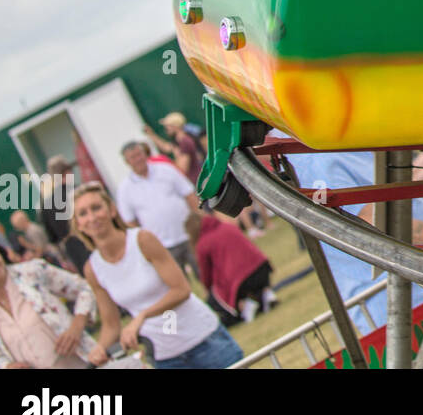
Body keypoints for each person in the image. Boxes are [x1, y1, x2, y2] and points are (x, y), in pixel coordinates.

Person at [74, 184, 241, 369]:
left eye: (96, 208)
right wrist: (99, 349)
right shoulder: (92, 269)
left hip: (204, 341)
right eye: (82, 213)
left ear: (112, 210)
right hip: (166, 359)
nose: (91, 217)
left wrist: (141, 317)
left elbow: (181, 289)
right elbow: (111, 325)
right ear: (78, 224)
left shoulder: (142, 240)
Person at [284, 149, 423, 335]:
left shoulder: (331, 147)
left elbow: (380, 197)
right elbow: (363, 219)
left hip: (415, 282)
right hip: (397, 297)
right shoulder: (316, 158)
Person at [0, 232, 104, 369]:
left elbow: (84, 288)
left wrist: (76, 326)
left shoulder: (32, 272)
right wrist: (8, 365)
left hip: (80, 364)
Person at [114, 141, 200, 280]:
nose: (138, 159)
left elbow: (189, 194)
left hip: (189, 235)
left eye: (139, 154)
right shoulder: (125, 189)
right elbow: (130, 223)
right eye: (133, 157)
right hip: (162, 246)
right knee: (178, 282)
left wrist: (199, 219)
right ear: (127, 162)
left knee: (205, 275)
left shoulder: (166, 170)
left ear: (145, 153)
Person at [194, 210, 277, 325]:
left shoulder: (202, 244)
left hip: (240, 282)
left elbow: (206, 276)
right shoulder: (227, 226)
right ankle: (265, 294)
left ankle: (245, 307)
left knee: (214, 300)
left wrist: (208, 290)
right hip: (263, 268)